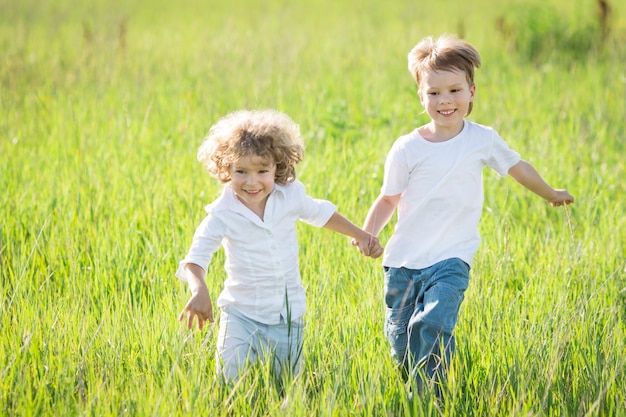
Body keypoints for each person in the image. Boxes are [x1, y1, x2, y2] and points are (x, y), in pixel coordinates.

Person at [360, 34, 574, 395]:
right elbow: (387, 198)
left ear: (472, 91)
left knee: (434, 323)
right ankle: (414, 388)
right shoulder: (407, 148)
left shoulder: (481, 139)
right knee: (401, 339)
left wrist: (551, 193)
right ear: (421, 96)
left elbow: (518, 167)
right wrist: (368, 233)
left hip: (452, 258)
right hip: (403, 263)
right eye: (434, 93)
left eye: (455, 90)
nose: (445, 101)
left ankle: (437, 397)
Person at [176, 109, 383, 387]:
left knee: (285, 386)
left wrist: (361, 235)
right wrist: (199, 290)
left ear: (278, 167)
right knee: (230, 383)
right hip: (240, 315)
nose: (252, 181)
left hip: (288, 316)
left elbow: (320, 213)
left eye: (262, 170)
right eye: (241, 171)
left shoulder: (289, 196)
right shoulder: (222, 214)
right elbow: (196, 258)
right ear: (226, 170)